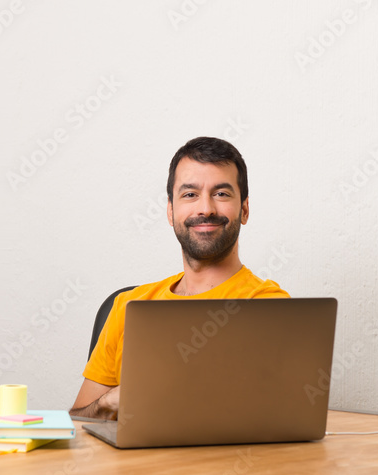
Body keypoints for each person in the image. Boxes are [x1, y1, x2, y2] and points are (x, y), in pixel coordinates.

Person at [69, 137, 289, 420]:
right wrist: (107, 402)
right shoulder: (128, 305)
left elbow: (277, 421)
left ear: (244, 210)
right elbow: (78, 422)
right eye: (190, 194)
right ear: (171, 211)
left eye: (221, 193)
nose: (206, 208)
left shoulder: (269, 307)